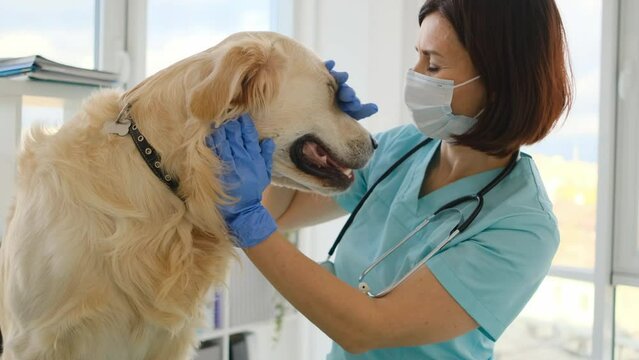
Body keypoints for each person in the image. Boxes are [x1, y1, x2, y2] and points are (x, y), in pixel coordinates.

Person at [207, 0, 572, 358]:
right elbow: (281, 213)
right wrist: (301, 126)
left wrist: (247, 222)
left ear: (499, 81)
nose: (413, 73)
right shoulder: (404, 148)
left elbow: (365, 328)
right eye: (418, 55)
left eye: (432, 64)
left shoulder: (523, 228)